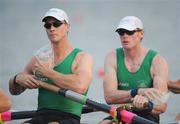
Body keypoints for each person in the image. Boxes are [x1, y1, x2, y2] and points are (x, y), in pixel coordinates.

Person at [9, 8, 93, 124]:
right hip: (40, 116)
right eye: (47, 25)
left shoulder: (81, 57)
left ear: (68, 26)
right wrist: (16, 79)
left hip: (68, 117)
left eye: (57, 24)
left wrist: (48, 73)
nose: (52, 28)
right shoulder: (39, 59)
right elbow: (14, 91)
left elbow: (80, 86)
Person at [100, 16, 168, 124]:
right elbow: (109, 97)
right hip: (121, 112)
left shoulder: (157, 61)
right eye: (121, 32)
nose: (125, 36)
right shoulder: (112, 57)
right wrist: (136, 92)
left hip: (147, 116)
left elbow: (162, 105)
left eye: (130, 32)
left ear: (141, 33)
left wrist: (147, 103)